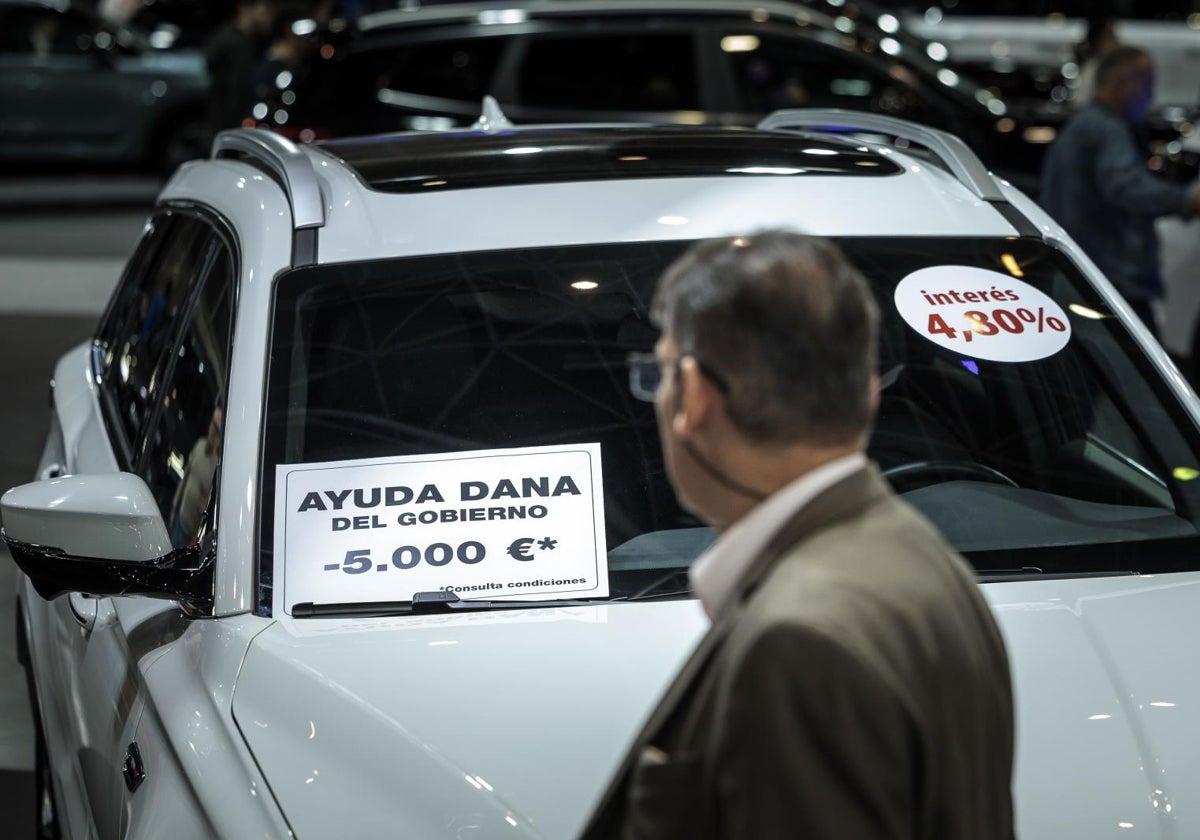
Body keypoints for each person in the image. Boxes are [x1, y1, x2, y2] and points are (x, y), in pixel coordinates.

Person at [582, 231, 1015, 839]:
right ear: (867, 391)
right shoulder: (923, 558)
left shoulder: (799, 639)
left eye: (658, 374)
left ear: (696, 397)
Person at [1040, 45, 1200, 336]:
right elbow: (1128, 188)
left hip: (1084, 277)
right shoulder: (1107, 130)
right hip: (1113, 283)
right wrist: (1187, 201)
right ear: (1125, 86)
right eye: (1147, 88)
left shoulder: (1083, 125)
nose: (1150, 98)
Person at [203, 0, 277, 134]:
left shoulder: (245, 41)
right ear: (245, 8)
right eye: (267, 9)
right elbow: (233, 96)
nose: (270, 16)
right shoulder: (235, 46)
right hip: (230, 130)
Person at [1071, 16, 1120, 109]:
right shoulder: (1093, 69)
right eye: (1110, 36)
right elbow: (1080, 104)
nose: (1116, 42)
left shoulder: (1108, 69)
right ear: (1097, 41)